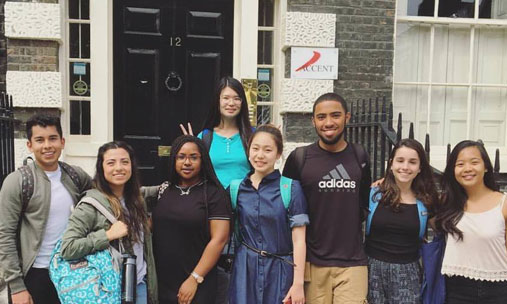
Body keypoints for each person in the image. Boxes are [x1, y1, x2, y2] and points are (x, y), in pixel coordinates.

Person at [282, 92, 372, 304]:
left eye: (335, 115)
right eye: (321, 117)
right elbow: (286, 207)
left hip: (353, 263)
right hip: (312, 264)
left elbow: (363, 203)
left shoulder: (360, 156)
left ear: (347, 117)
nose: (328, 122)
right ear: (313, 120)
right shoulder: (299, 159)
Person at [0, 114, 92, 304]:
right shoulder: (17, 182)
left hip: (73, 271)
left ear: (62, 141)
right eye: (39, 140)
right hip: (36, 274)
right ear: (29, 145)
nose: (47, 146)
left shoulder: (76, 176)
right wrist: (17, 287)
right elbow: (5, 235)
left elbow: (104, 198)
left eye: (52, 138)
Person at [180, 76, 253, 303]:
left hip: (245, 211)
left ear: (242, 103)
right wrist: (191, 146)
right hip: (212, 211)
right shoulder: (205, 137)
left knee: (241, 263)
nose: (231, 102)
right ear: (218, 101)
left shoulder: (251, 135)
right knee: (212, 261)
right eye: (226, 98)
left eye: (236, 98)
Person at [60, 141, 159, 304]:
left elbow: (161, 189)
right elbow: (68, 248)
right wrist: (107, 235)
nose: (119, 168)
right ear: (102, 168)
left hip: (140, 286)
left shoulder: (137, 200)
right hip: (107, 291)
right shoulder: (90, 205)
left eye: (125, 162)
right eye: (111, 163)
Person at [228, 124, 308, 304]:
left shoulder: (290, 188)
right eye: (255, 148)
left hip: (281, 271)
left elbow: (299, 240)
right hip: (244, 271)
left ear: (278, 154)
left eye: (268, 150)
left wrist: (298, 283)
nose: (260, 155)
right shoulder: (236, 188)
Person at [152, 135, 231, 304]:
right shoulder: (165, 190)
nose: (187, 162)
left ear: (203, 160)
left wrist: (194, 278)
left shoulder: (214, 194)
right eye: (181, 157)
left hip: (197, 281)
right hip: (162, 281)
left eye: (193, 157)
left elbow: (219, 239)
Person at [365, 139, 438, 303]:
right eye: (400, 160)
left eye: (412, 162)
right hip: (371, 271)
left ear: (420, 168)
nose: (405, 167)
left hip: (409, 273)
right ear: (391, 164)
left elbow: (442, 232)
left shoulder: (426, 200)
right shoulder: (373, 194)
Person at [436, 140, 507, 303]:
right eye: (460, 164)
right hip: (456, 289)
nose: (467, 169)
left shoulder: (503, 204)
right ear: (454, 170)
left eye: (474, 162)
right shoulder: (447, 203)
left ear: (486, 166)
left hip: (498, 290)